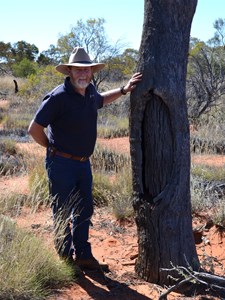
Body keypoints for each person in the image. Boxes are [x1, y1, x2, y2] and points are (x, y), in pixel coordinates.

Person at [28, 47, 142, 273]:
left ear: (91, 72)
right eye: (78, 70)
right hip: (61, 164)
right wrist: (52, 148)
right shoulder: (58, 97)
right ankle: (65, 257)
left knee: (84, 209)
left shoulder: (89, 92)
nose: (83, 74)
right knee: (62, 210)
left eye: (87, 70)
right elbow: (34, 129)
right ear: (69, 71)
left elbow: (101, 100)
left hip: (83, 164)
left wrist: (124, 89)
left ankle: (83, 254)